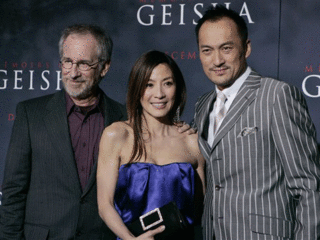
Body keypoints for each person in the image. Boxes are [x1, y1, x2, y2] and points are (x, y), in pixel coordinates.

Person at [193, 5, 320, 240]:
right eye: (207, 50)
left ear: (246, 48)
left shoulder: (276, 96)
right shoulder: (202, 105)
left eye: (226, 48)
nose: (217, 60)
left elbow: (309, 187)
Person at [0, 24, 127, 240]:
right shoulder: (31, 114)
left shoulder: (125, 118)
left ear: (104, 67)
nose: (73, 73)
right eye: (67, 62)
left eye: (84, 64)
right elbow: (13, 192)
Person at [97, 50, 206, 240]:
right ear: (136, 89)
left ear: (177, 88)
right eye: (149, 85)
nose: (159, 94)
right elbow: (104, 205)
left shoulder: (191, 141)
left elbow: (199, 210)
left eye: (168, 84)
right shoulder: (117, 135)